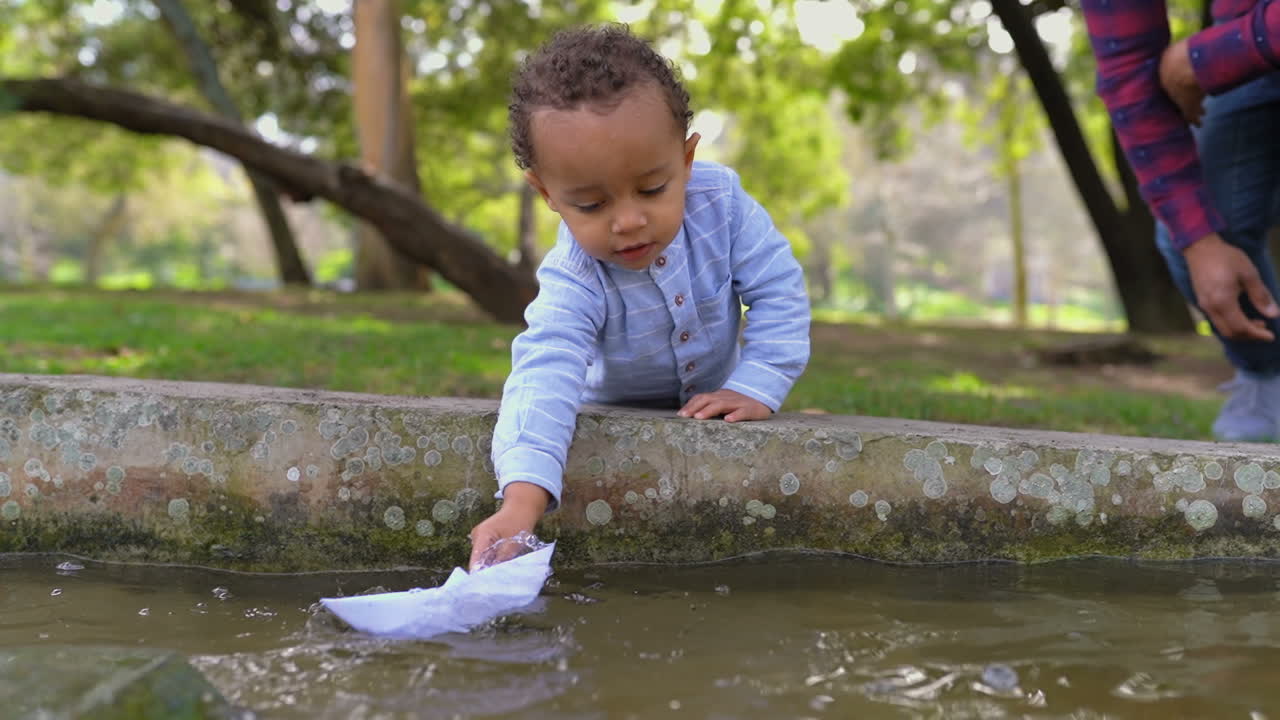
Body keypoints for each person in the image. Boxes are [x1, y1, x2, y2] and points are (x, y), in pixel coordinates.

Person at [467, 24, 811, 568]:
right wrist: (521, 504)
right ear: (547, 194)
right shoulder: (575, 272)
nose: (628, 222)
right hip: (609, 410)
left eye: (653, 190)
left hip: (717, 400)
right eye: (590, 205)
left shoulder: (722, 204)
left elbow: (778, 289)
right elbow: (545, 369)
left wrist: (758, 383)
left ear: (687, 159)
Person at [1081, 0, 1280, 441]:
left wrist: (1206, 57)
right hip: (1252, 47)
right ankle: (1268, 387)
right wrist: (1200, 241)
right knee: (1198, 228)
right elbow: (1128, 65)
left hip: (1244, 43)